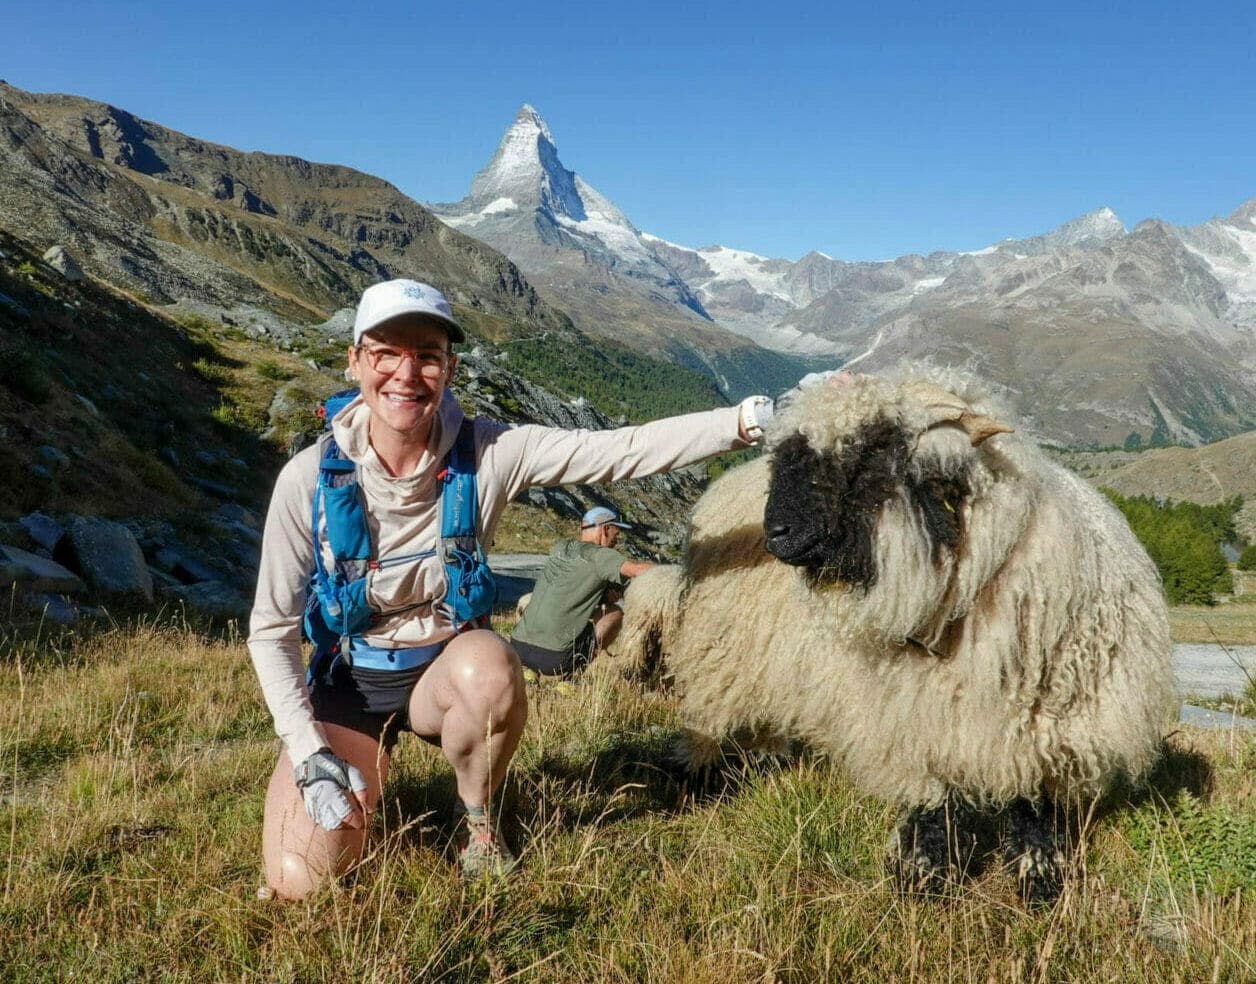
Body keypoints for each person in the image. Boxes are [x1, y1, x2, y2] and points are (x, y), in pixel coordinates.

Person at [247, 278, 773, 900]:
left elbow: (616, 450)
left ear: (449, 367)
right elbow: (272, 629)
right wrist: (308, 750)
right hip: (349, 682)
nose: (406, 373)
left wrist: (742, 422)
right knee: (297, 882)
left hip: (443, 668)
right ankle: (354, 767)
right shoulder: (306, 478)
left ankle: (479, 825)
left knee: (491, 667)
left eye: (428, 354)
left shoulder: (490, 452)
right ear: (356, 360)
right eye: (386, 352)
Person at [510, 506, 651, 677]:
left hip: (516, 649)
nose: (617, 539)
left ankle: (528, 672)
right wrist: (676, 572)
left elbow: (573, 588)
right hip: (554, 659)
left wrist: (602, 596)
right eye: (617, 532)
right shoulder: (601, 555)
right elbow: (636, 570)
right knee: (615, 614)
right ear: (605, 529)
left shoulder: (560, 548)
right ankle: (573, 676)